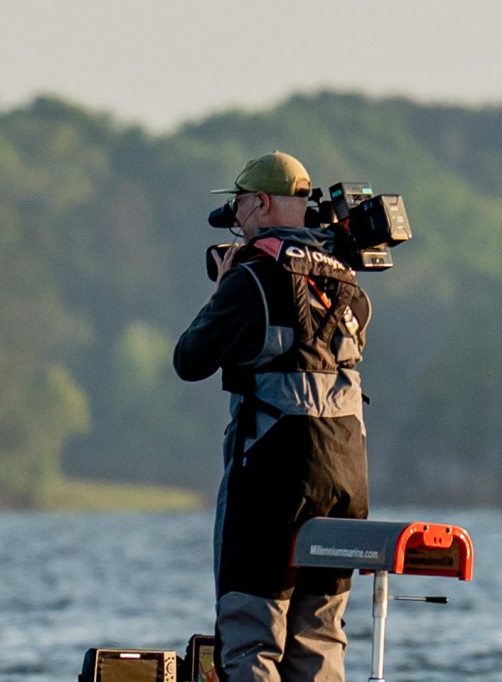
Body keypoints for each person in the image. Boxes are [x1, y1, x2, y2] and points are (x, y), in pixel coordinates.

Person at [173, 152, 371, 681]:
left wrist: (223, 288)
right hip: (347, 478)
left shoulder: (252, 279)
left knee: (252, 636)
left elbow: (189, 359)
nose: (236, 219)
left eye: (239, 205)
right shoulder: (350, 284)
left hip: (275, 480)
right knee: (320, 637)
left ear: (260, 202)